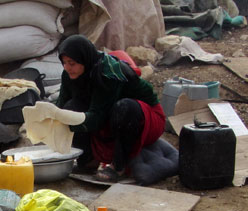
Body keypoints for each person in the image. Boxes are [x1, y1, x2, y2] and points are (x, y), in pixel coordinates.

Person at [54, 34, 166, 182]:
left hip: (143, 119)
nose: (67, 68)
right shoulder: (68, 74)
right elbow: (62, 106)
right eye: (64, 63)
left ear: (84, 60)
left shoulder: (108, 73)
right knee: (70, 109)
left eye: (72, 63)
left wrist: (66, 119)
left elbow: (97, 118)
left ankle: (118, 166)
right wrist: (49, 118)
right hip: (109, 116)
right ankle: (88, 161)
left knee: (124, 107)